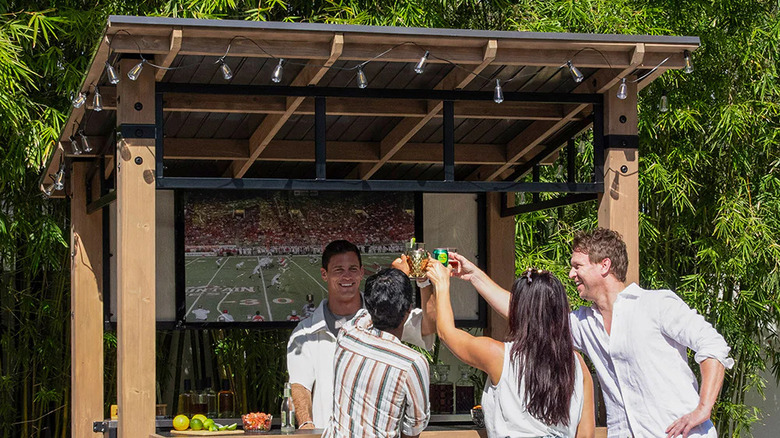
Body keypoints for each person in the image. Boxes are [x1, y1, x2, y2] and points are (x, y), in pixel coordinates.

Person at [450, 228, 733, 437]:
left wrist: (703, 409)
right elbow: (527, 312)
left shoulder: (656, 305)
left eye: (577, 266)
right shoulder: (584, 323)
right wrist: (473, 275)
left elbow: (713, 346)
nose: (571, 275)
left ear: (604, 265)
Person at [426, 261, 594, 438]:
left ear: (518, 310)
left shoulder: (500, 356)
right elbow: (586, 435)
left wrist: (442, 284)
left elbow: (446, 333)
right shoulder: (577, 364)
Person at [286, 240, 436, 429]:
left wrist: (423, 280)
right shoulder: (305, 332)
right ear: (324, 274)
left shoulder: (386, 314)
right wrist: (307, 425)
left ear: (362, 272)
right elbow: (300, 386)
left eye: (353, 269)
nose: (347, 276)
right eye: (339, 270)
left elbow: (429, 326)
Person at [322, 268, 430, 438]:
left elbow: (365, 314)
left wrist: (390, 283)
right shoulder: (412, 362)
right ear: (409, 309)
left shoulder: (347, 335)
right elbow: (414, 427)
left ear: (370, 304)